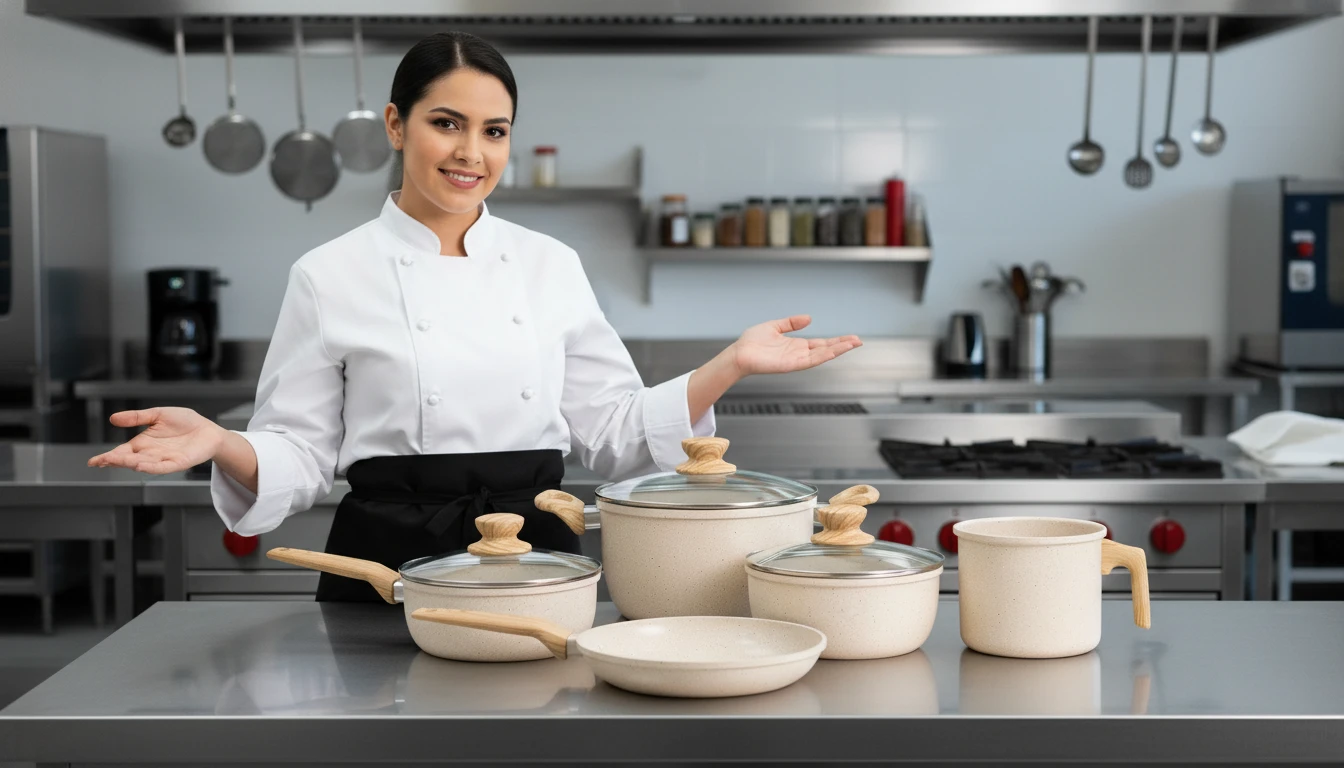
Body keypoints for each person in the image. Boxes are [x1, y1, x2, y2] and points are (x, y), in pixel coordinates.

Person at [88, 31, 861, 601]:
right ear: (397, 125)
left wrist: (729, 364)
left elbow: (616, 435)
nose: (472, 153)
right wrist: (224, 443)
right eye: (447, 123)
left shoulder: (549, 263)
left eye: (494, 131)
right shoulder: (329, 273)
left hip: (537, 562)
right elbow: (299, 451)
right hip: (389, 561)